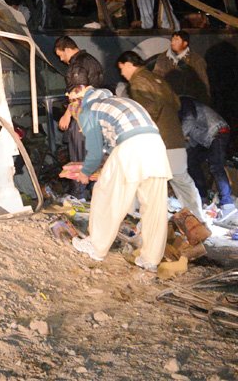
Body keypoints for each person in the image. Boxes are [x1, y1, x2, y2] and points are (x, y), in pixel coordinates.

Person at [69, 86, 170, 271]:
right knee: (154, 207)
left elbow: (95, 150)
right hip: (156, 146)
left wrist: (85, 172)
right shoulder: (119, 101)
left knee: (106, 195)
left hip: (131, 147)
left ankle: (96, 247)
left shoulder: (89, 109)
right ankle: (150, 260)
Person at [116, 51, 207, 223]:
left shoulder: (138, 81)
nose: (122, 74)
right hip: (174, 135)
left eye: (122, 69)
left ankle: (137, 218)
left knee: (141, 178)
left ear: (129, 64)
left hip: (156, 140)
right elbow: (177, 103)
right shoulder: (158, 79)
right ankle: (198, 218)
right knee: (182, 179)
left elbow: (147, 111)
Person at [54, 36, 104, 198]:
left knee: (78, 157)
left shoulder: (77, 65)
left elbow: (79, 94)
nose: (61, 59)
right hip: (96, 116)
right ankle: (96, 194)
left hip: (81, 117)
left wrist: (67, 115)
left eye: (60, 55)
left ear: (67, 49)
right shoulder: (92, 60)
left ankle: (78, 195)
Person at [179, 96, 237, 222]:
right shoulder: (180, 111)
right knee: (191, 161)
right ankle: (202, 197)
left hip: (218, 131)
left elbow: (190, 120)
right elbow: (193, 132)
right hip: (206, 138)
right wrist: (184, 148)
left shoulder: (184, 101)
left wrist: (179, 137)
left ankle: (228, 205)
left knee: (216, 166)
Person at [152, 30, 210, 104]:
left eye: (176, 40)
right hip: (169, 101)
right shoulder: (163, 58)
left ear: (185, 43)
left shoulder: (196, 60)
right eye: (172, 39)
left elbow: (203, 82)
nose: (173, 42)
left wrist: (205, 102)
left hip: (190, 101)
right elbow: (156, 77)